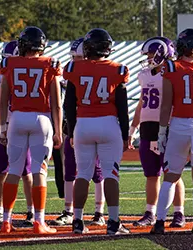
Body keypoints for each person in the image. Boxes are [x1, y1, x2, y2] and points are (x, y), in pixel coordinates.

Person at [150, 28, 193, 235]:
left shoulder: (171, 67)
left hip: (180, 124)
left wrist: (161, 132)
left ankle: (160, 222)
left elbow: (166, 105)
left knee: (171, 175)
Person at [63, 28, 130, 235]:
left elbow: (69, 105)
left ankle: (77, 221)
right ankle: (113, 222)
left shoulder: (74, 67)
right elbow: (122, 107)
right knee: (111, 173)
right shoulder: (117, 69)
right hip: (108, 123)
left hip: (83, 123)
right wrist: (126, 134)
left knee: (82, 173)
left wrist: (72, 131)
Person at [0, 26, 63, 234]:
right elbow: (57, 104)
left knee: (14, 170)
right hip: (41, 119)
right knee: (39, 171)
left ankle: (6, 221)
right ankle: (38, 221)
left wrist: (3, 127)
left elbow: (2, 100)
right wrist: (59, 130)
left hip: (16, 119)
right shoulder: (50, 63)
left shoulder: (9, 63)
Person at [128, 36, 187, 228]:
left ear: (163, 54)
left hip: (168, 126)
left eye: (152, 54)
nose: (148, 58)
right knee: (151, 174)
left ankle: (179, 213)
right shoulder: (145, 75)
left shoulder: (173, 74)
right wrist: (133, 128)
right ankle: (150, 212)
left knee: (173, 172)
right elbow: (141, 104)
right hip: (147, 127)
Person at [51, 37, 107, 227]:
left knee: (97, 170)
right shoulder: (72, 71)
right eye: (73, 56)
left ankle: (99, 212)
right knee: (70, 169)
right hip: (73, 126)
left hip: (93, 123)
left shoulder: (97, 71)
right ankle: (69, 210)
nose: (74, 60)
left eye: (79, 56)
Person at [0, 41, 35, 226]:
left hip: (21, 126)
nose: (6, 63)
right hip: (2, 124)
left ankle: (31, 211)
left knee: (26, 171)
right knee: (0, 171)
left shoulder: (27, 75)